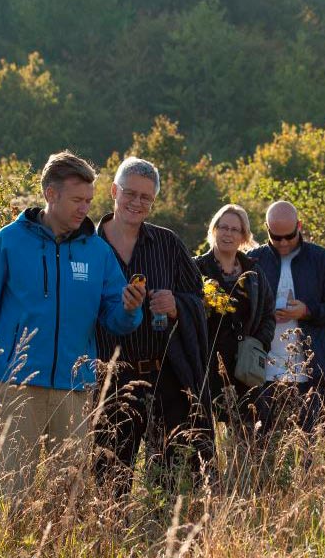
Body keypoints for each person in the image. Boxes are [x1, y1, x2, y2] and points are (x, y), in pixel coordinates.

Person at [0, 151, 145, 500]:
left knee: (67, 497)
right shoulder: (9, 241)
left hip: (74, 390)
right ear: (50, 194)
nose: (84, 208)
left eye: (88, 200)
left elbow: (116, 320)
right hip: (16, 385)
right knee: (8, 494)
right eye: (76, 199)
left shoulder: (97, 252)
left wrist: (131, 309)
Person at [93, 156, 214, 496]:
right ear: (114, 191)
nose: (136, 202)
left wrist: (178, 305)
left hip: (165, 376)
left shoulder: (168, 244)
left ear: (153, 201)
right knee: (110, 476)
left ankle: (165, 539)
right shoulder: (88, 244)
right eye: (130, 193)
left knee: (171, 475)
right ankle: (111, 541)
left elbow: (200, 300)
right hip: (108, 379)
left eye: (145, 197)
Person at [247, 201, 325, 432]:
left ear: (299, 226)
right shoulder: (253, 260)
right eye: (276, 236)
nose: (283, 242)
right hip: (260, 371)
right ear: (266, 229)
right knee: (261, 446)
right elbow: (239, 309)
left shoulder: (322, 260)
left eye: (289, 236)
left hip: (310, 372)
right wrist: (265, 314)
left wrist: (306, 311)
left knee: (305, 446)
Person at [193, 204, 275, 430]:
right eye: (223, 227)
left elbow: (268, 313)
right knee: (202, 434)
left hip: (243, 368)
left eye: (234, 230)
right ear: (214, 230)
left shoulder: (254, 272)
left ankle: (239, 468)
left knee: (247, 435)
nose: (227, 233)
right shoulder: (196, 267)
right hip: (205, 366)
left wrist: (259, 344)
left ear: (243, 236)